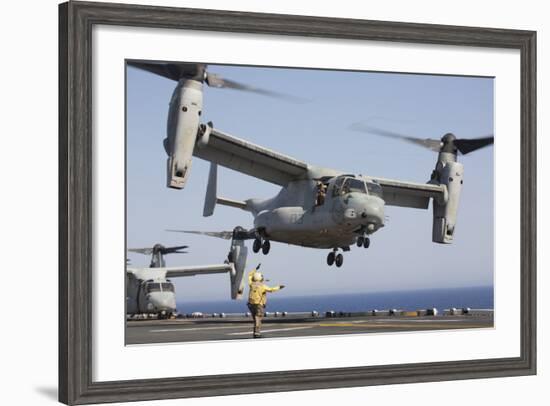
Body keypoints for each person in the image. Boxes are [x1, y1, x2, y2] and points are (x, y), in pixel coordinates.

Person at [247, 264, 285, 338]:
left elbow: (249, 275)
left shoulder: (251, 284)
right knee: (258, 317)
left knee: (255, 318)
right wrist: (279, 287)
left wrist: (255, 269)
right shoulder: (262, 286)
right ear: (260, 278)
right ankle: (257, 333)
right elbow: (271, 290)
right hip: (259, 304)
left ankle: (256, 332)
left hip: (250, 304)